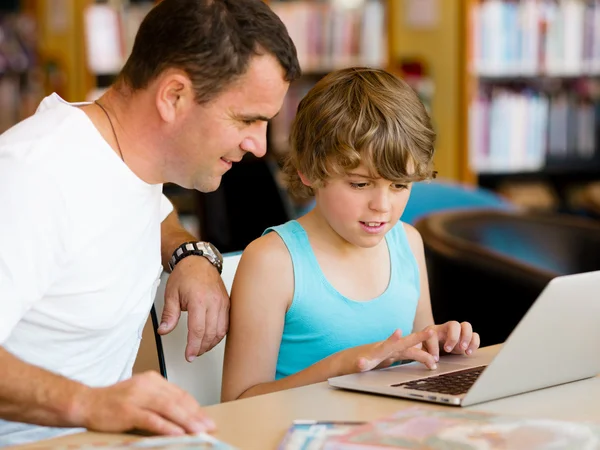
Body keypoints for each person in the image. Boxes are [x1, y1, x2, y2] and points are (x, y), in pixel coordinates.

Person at [0, 0, 300, 445]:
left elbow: (151, 211)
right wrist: (91, 404)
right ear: (173, 96)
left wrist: (189, 254)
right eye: (246, 119)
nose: (258, 145)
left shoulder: (127, 157)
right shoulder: (33, 175)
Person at [221, 67, 480, 402]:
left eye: (400, 185)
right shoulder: (273, 261)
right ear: (309, 170)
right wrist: (342, 366)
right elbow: (238, 403)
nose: (382, 206)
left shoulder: (407, 242)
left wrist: (444, 347)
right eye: (361, 184)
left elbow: (420, 353)